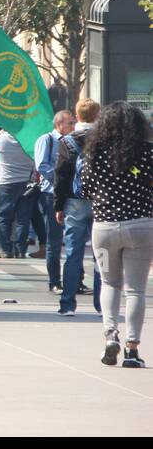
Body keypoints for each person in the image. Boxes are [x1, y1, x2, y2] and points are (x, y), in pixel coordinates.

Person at [73, 101, 152, 367]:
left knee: (109, 283)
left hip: (104, 228)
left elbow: (84, 191)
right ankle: (132, 348)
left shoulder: (93, 155)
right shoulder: (148, 152)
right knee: (136, 290)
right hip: (141, 226)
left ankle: (110, 334)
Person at [55, 99, 100, 316]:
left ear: (77, 115)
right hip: (101, 201)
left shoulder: (67, 141)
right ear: (97, 115)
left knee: (73, 252)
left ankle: (68, 304)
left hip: (74, 201)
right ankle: (102, 305)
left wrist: (58, 204)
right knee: (102, 254)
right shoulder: (106, 139)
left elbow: (61, 174)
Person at [35, 109, 77, 292]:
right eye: (70, 123)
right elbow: (42, 165)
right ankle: (54, 281)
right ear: (59, 124)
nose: (73, 126)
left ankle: (75, 280)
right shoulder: (47, 140)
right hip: (51, 193)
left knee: (74, 239)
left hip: (71, 195)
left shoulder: (73, 141)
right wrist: (61, 180)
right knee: (54, 239)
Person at [0, 126, 37, 258]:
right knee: (23, 219)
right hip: (27, 183)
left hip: (8, 183)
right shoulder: (29, 139)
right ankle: (21, 250)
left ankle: (6, 249)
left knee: (5, 217)